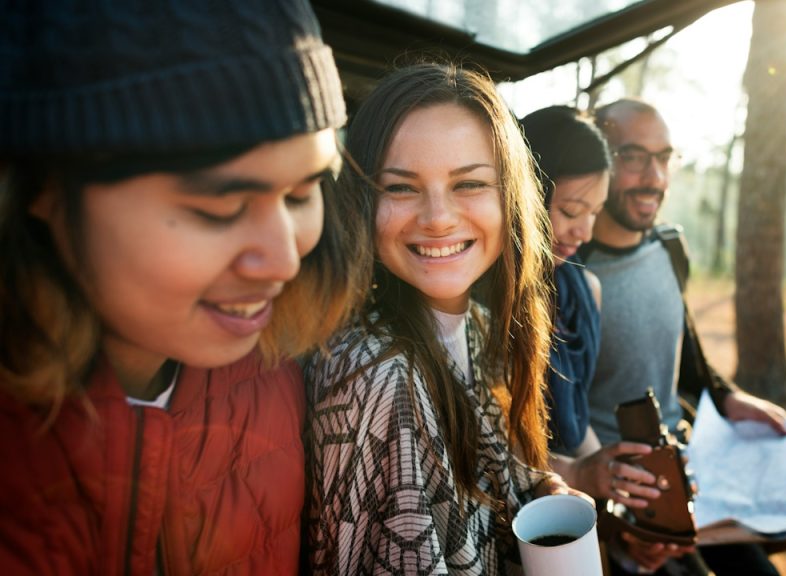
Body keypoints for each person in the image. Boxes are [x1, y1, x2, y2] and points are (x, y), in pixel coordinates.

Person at [0, 1, 363, 573]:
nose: (284, 259)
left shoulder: (283, 377)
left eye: (302, 193)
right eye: (219, 207)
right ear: (41, 190)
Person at [304, 63, 587, 575]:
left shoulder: (480, 326)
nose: (437, 217)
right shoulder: (374, 375)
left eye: (469, 183)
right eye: (401, 187)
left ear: (511, 195)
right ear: (361, 200)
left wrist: (539, 487)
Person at [580, 98, 786, 576]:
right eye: (633, 157)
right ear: (599, 161)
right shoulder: (570, 272)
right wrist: (614, 528)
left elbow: (687, 359)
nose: (654, 177)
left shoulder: (671, 248)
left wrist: (731, 398)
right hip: (619, 496)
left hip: (691, 470)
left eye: (664, 158)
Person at [519, 105, 667, 512]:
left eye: (594, 214)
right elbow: (494, 450)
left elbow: (576, 425)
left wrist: (618, 486)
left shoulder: (585, 291)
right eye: (570, 211)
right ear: (523, 189)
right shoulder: (482, 303)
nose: (583, 232)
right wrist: (585, 474)